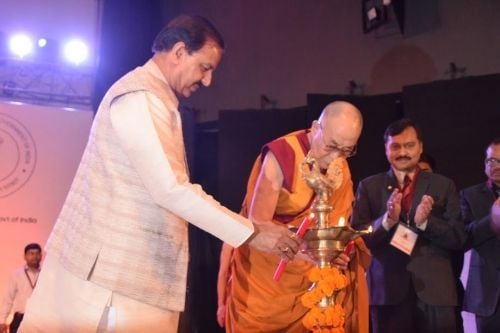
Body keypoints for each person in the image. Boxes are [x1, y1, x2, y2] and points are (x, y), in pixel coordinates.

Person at [19, 15, 299, 333]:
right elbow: (171, 189)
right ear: (179, 52)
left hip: (123, 281)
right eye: (205, 67)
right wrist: (252, 233)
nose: (208, 81)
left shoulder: (154, 98)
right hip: (110, 283)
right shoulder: (141, 98)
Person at [220, 101, 371, 333]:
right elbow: (258, 224)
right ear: (315, 127)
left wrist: (337, 251)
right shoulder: (283, 155)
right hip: (267, 283)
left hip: (310, 282)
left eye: (347, 150)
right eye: (331, 146)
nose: (336, 158)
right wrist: (315, 253)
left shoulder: (340, 165)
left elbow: (336, 223)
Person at [351, 118, 466, 333]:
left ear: (420, 147)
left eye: (409, 145)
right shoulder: (369, 186)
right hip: (387, 292)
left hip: (435, 292)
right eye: (395, 146)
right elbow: (358, 236)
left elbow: (458, 238)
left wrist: (425, 223)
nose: (402, 152)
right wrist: (387, 221)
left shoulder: (443, 185)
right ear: (386, 150)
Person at [460, 138, 500, 333]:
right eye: (492, 161)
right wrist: (492, 220)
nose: (496, 166)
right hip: (487, 295)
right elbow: (463, 238)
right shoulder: (470, 195)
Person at [0, 243, 42, 333]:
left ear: (41, 255)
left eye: (37, 253)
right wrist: (2, 321)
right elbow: (8, 298)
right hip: (20, 319)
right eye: (31, 253)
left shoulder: (46, 275)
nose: (35, 256)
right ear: (25, 256)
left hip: (40, 319)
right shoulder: (16, 274)